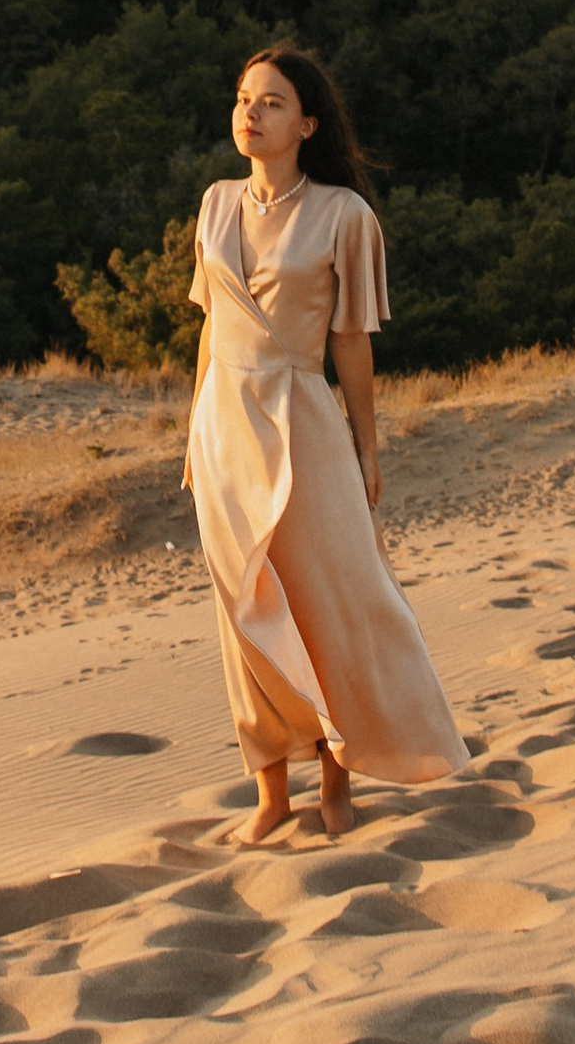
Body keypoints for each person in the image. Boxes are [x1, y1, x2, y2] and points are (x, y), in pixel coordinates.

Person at [184, 44, 469, 843]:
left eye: (272, 102)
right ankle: (271, 790)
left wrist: (368, 445)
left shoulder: (345, 216)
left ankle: (336, 779)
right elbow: (211, 330)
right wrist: (193, 436)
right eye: (244, 97)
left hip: (303, 418)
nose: (251, 112)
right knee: (243, 614)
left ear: (308, 123)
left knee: (325, 603)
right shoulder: (212, 206)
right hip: (223, 427)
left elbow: (351, 342)